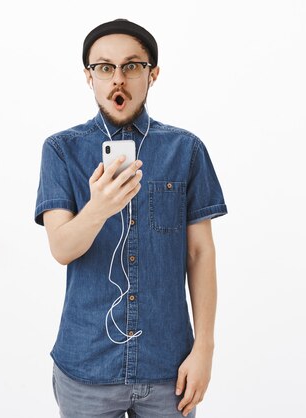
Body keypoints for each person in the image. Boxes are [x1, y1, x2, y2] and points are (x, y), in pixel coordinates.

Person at [34, 18, 228, 418]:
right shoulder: (60, 151)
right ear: (89, 77)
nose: (117, 79)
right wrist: (99, 207)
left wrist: (204, 347)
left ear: (152, 74)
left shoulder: (186, 150)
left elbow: (199, 253)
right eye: (104, 68)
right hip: (86, 366)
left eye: (131, 66)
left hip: (169, 369)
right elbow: (62, 248)